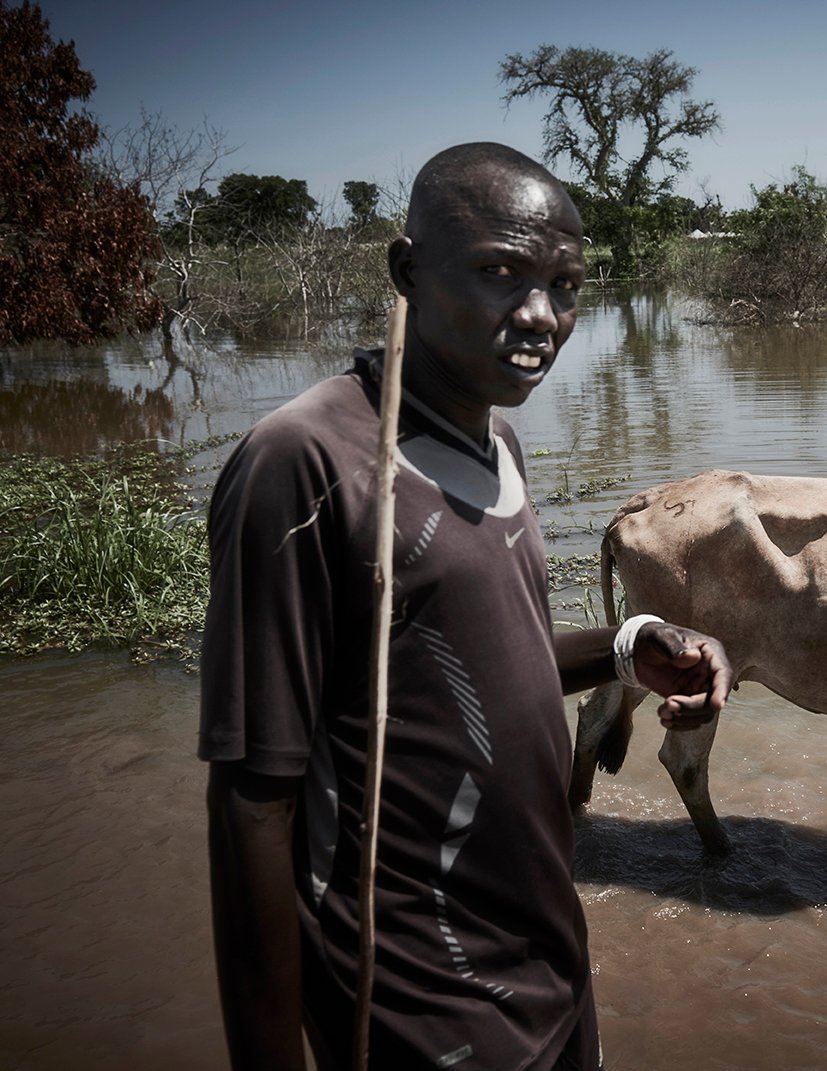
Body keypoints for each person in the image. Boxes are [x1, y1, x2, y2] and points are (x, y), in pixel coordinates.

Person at [199, 142, 731, 1071]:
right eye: (498, 273)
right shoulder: (307, 462)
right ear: (407, 271)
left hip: (546, 958)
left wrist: (629, 642)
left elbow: (490, 664)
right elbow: (253, 796)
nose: (540, 315)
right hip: (417, 993)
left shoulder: (500, 448)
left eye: (564, 285)